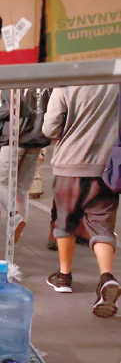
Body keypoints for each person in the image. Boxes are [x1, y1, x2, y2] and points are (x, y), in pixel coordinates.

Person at [42, 84, 121, 318]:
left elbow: (50, 128)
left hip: (69, 165)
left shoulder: (67, 83)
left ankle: (64, 276)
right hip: (107, 167)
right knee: (102, 224)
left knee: (65, 220)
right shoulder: (115, 82)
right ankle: (106, 277)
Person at [0, 89, 52, 243]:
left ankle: (15, 217)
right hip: (37, 140)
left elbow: (8, 110)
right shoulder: (47, 85)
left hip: (13, 139)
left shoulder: (13, 82)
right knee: (23, 188)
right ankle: (17, 227)